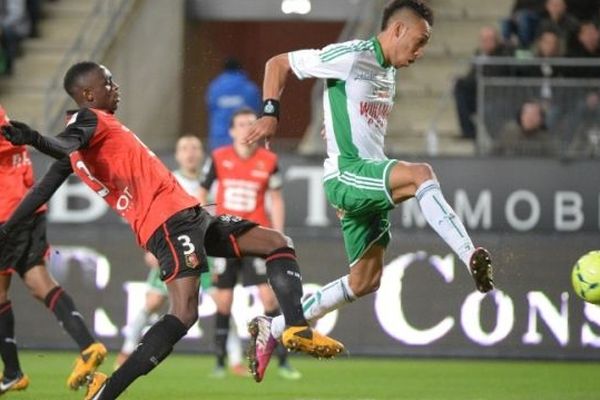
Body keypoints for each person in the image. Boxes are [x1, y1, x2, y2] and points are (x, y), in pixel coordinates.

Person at [0, 61, 343, 399]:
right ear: (88, 94)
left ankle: (295, 327)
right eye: (108, 82)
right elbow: (60, 145)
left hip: (190, 214)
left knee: (276, 242)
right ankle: (107, 391)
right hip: (167, 221)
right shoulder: (87, 119)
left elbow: (41, 190)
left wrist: (8, 228)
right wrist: (32, 137)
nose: (115, 87)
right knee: (183, 313)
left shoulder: (80, 145)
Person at [244, 0, 494, 383]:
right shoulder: (353, 54)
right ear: (397, 30)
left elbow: (354, 115)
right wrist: (269, 112)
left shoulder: (388, 73)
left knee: (365, 281)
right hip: (348, 175)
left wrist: (333, 125)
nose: (421, 51)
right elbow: (277, 63)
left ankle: (273, 327)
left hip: (366, 180)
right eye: (420, 40)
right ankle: (468, 253)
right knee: (420, 174)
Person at [0, 104, 106, 393]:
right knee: (39, 284)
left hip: (7, 212)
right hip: (29, 208)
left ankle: (12, 372)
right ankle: (88, 346)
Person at [114, 135, 241, 372]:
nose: (190, 153)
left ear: (202, 153)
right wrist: (151, 248)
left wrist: (220, 258)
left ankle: (235, 359)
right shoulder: (167, 180)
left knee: (223, 303)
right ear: (178, 154)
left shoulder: (212, 184)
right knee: (153, 302)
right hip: (173, 249)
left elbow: (218, 219)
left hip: (205, 252)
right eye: (185, 148)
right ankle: (127, 348)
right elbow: (145, 214)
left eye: (195, 148)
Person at [199, 108, 301, 381]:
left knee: (269, 297)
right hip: (224, 238)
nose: (246, 129)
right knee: (223, 300)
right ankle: (219, 361)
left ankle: (281, 360)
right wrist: (202, 226)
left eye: (250, 124)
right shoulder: (219, 158)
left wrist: (277, 236)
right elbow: (202, 194)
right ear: (231, 131)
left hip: (255, 236)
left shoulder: (268, 160)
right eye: (241, 124)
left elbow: (276, 198)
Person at [454, 26, 513, 139]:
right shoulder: (479, 54)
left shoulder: (503, 53)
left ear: (496, 40)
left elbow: (492, 75)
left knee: (488, 109)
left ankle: (497, 140)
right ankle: (469, 131)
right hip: (480, 94)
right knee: (459, 87)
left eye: (489, 39)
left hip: (498, 97)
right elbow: (472, 76)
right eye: (483, 40)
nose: (485, 43)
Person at [206, 58, 261, 151]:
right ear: (240, 69)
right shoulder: (249, 88)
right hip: (245, 137)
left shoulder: (214, 88)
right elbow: (257, 111)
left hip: (219, 138)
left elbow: (210, 108)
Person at [0, 0, 31, 75]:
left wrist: (2, 26)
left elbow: (17, 14)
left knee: (8, 32)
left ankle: (8, 65)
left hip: (15, 27)